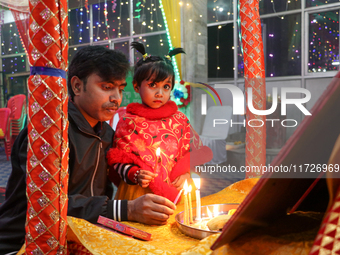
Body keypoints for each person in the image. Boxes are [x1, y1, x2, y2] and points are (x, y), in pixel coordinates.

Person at [0, 46, 176, 254]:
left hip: (87, 233)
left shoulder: (108, 134)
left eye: (120, 89)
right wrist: (126, 209)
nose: (116, 98)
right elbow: (47, 203)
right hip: (27, 240)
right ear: (76, 86)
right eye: (106, 87)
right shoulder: (49, 132)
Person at [106, 42, 213, 202]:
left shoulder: (180, 120)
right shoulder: (128, 121)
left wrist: (186, 173)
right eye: (152, 85)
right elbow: (119, 159)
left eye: (166, 86)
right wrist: (134, 173)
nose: (159, 93)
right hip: (140, 193)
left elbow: (192, 154)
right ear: (136, 86)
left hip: (177, 189)